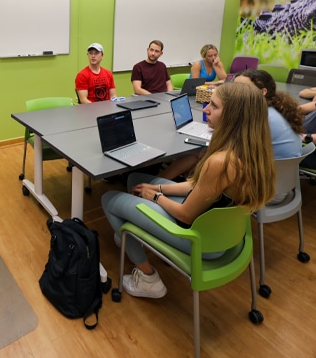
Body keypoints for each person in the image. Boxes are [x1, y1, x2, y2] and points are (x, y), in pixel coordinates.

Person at [101, 83, 275, 298]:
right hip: (222, 234)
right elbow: (199, 187)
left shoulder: (221, 161)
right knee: (137, 180)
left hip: (198, 240)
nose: (205, 110)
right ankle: (132, 235)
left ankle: (148, 279)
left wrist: (155, 196)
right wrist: (157, 186)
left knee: (109, 199)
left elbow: (185, 215)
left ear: (234, 116)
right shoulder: (254, 151)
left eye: (214, 105)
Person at [234, 69, 303, 158]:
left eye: (243, 88)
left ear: (263, 92)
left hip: (272, 169)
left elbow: (237, 147)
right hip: (285, 168)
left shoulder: (262, 116)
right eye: (234, 86)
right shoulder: (274, 108)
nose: (234, 91)